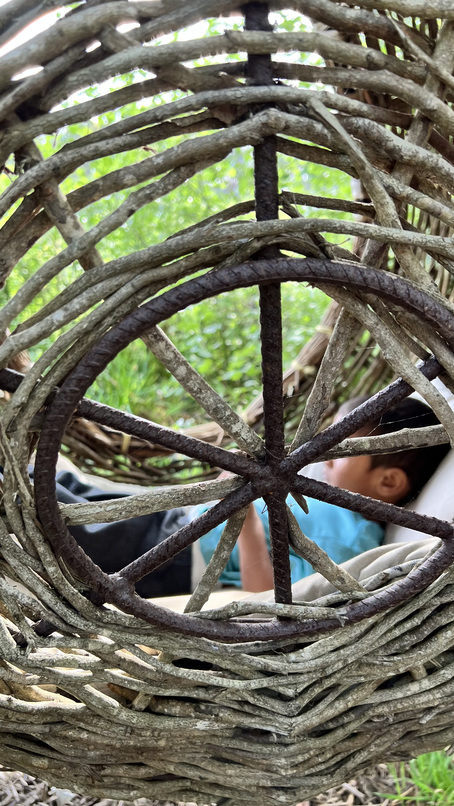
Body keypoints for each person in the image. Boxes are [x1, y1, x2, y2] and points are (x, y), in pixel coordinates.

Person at [49, 396, 449, 596]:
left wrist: (246, 522)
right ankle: (32, 477)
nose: (325, 455)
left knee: (79, 530)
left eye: (342, 450)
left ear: (388, 483)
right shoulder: (332, 501)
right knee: (85, 497)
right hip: (183, 521)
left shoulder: (354, 541)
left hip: (178, 558)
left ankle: (23, 499)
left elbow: (271, 594)